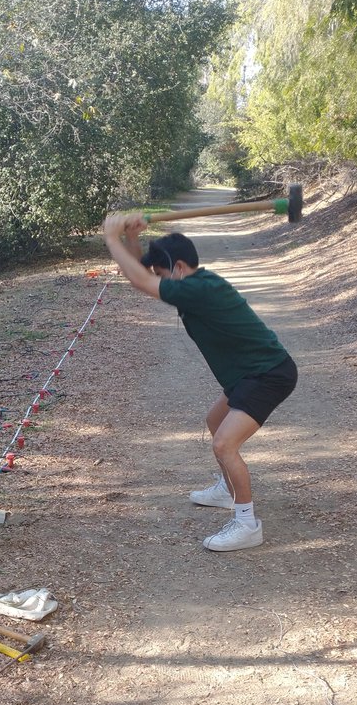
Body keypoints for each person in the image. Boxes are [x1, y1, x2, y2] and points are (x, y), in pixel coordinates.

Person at [103, 215, 298, 552]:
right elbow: (140, 274)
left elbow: (141, 282)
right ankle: (227, 488)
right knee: (214, 421)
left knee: (224, 444)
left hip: (267, 373)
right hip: (249, 373)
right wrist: (132, 238)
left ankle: (247, 524)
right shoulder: (194, 284)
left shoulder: (200, 290)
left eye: (163, 274)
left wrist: (110, 238)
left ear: (178, 267)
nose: (159, 281)